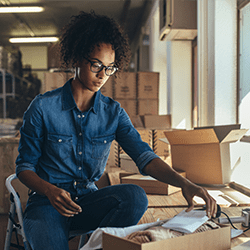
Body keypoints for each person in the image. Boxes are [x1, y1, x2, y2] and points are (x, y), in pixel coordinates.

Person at [16, 11, 217, 250]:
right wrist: (50, 190)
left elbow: (145, 157)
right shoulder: (42, 107)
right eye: (96, 65)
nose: (102, 75)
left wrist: (184, 183)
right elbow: (24, 168)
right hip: (47, 203)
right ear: (77, 58)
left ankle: (93, 245)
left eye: (109, 68)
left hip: (88, 202)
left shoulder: (113, 113)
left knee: (135, 197)